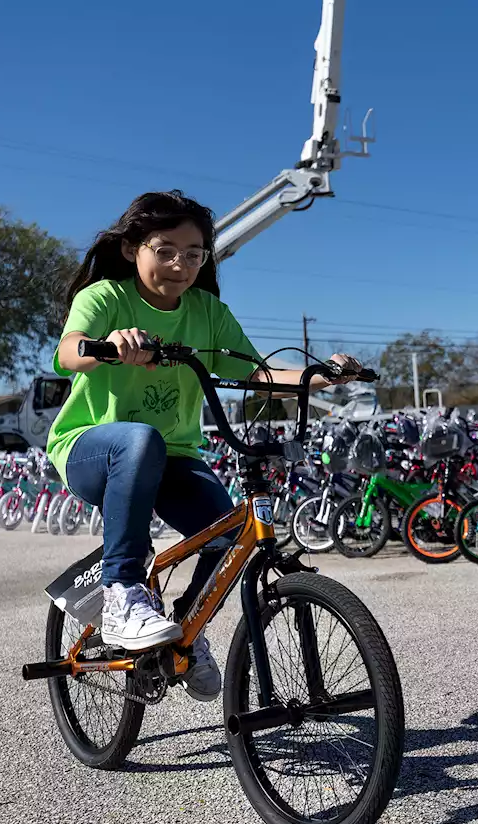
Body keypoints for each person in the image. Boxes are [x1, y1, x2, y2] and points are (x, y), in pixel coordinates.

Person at [46, 190, 361, 702]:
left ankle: (186, 637)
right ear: (132, 249)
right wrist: (111, 348)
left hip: (173, 458)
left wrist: (320, 376)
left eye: (194, 254)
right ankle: (122, 593)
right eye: (165, 250)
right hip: (90, 448)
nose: (180, 265)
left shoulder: (208, 313)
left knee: (227, 540)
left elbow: (258, 374)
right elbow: (68, 351)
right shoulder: (105, 297)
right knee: (139, 439)